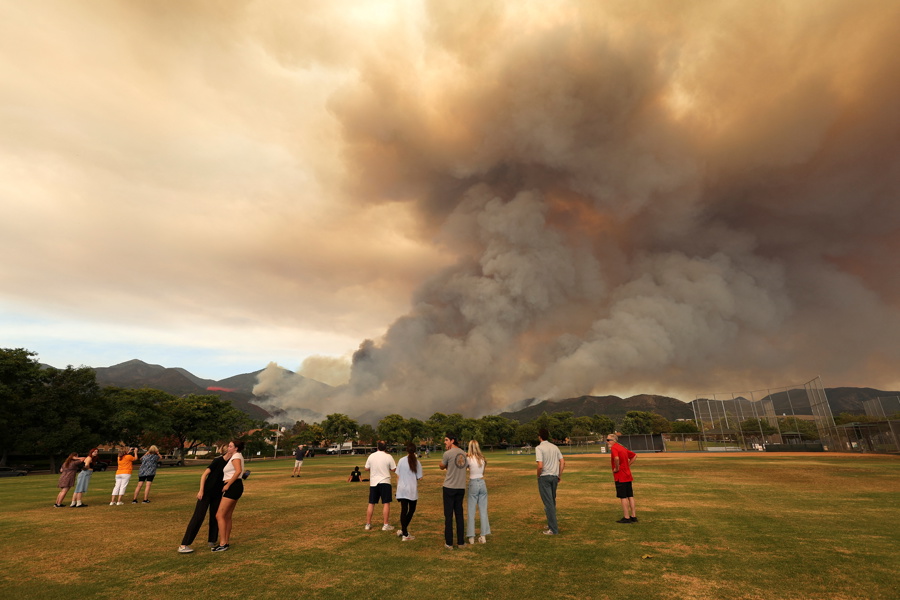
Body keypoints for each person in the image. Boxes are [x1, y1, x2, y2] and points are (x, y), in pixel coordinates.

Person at [178, 445, 234, 553]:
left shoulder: (231, 464)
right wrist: (201, 490)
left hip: (218, 494)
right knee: (198, 517)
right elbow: (204, 475)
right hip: (206, 493)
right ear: (227, 450)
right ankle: (184, 544)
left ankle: (212, 540)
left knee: (215, 517)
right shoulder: (217, 461)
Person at [212, 440, 245, 552]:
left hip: (232, 486)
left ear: (236, 448)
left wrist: (228, 485)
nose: (228, 448)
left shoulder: (236, 457)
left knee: (219, 515)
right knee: (227, 516)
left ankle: (223, 543)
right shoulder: (236, 456)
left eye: (230, 446)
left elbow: (238, 471)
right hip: (235, 486)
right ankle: (225, 541)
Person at [440, 433, 467, 549]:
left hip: (449, 487)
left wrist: (441, 465)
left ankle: (449, 543)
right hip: (461, 487)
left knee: (449, 515)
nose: (445, 442)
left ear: (452, 441)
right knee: (459, 515)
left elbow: (442, 466)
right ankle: (461, 542)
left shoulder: (447, 453)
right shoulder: (465, 454)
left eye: (446, 440)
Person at [536, 428, 565, 535]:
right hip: (554, 477)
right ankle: (551, 524)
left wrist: (538, 476)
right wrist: (559, 475)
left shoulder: (539, 448)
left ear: (539, 437)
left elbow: (540, 466)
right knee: (552, 502)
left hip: (544, 477)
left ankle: (553, 529)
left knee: (548, 504)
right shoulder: (554, 447)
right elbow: (562, 462)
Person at [364, 441, 396, 531]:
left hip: (374, 482)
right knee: (386, 503)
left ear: (377, 447)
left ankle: (368, 524)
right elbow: (394, 469)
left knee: (371, 503)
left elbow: (366, 468)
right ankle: (385, 525)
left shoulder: (372, 456)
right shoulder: (388, 456)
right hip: (385, 481)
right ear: (385, 447)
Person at [395, 442, 424, 541]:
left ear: (406, 450)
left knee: (404, 510)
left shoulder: (401, 460)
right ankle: (405, 533)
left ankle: (404, 530)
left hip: (402, 489)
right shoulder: (417, 462)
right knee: (411, 510)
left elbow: (397, 475)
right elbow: (419, 477)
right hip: (411, 490)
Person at [607, 433, 638, 523]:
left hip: (620, 476)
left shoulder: (614, 448)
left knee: (623, 497)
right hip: (628, 475)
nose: (607, 442)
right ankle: (633, 516)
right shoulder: (622, 447)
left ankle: (626, 517)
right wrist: (627, 465)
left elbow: (616, 458)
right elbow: (634, 456)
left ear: (613, 440)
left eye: (608, 440)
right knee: (630, 496)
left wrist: (617, 468)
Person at [466, 439, 490, 545]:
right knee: (483, 511)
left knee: (471, 511)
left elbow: (464, 468)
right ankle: (483, 536)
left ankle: (471, 537)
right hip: (482, 482)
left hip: (473, 483)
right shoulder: (482, 459)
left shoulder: (468, 459)